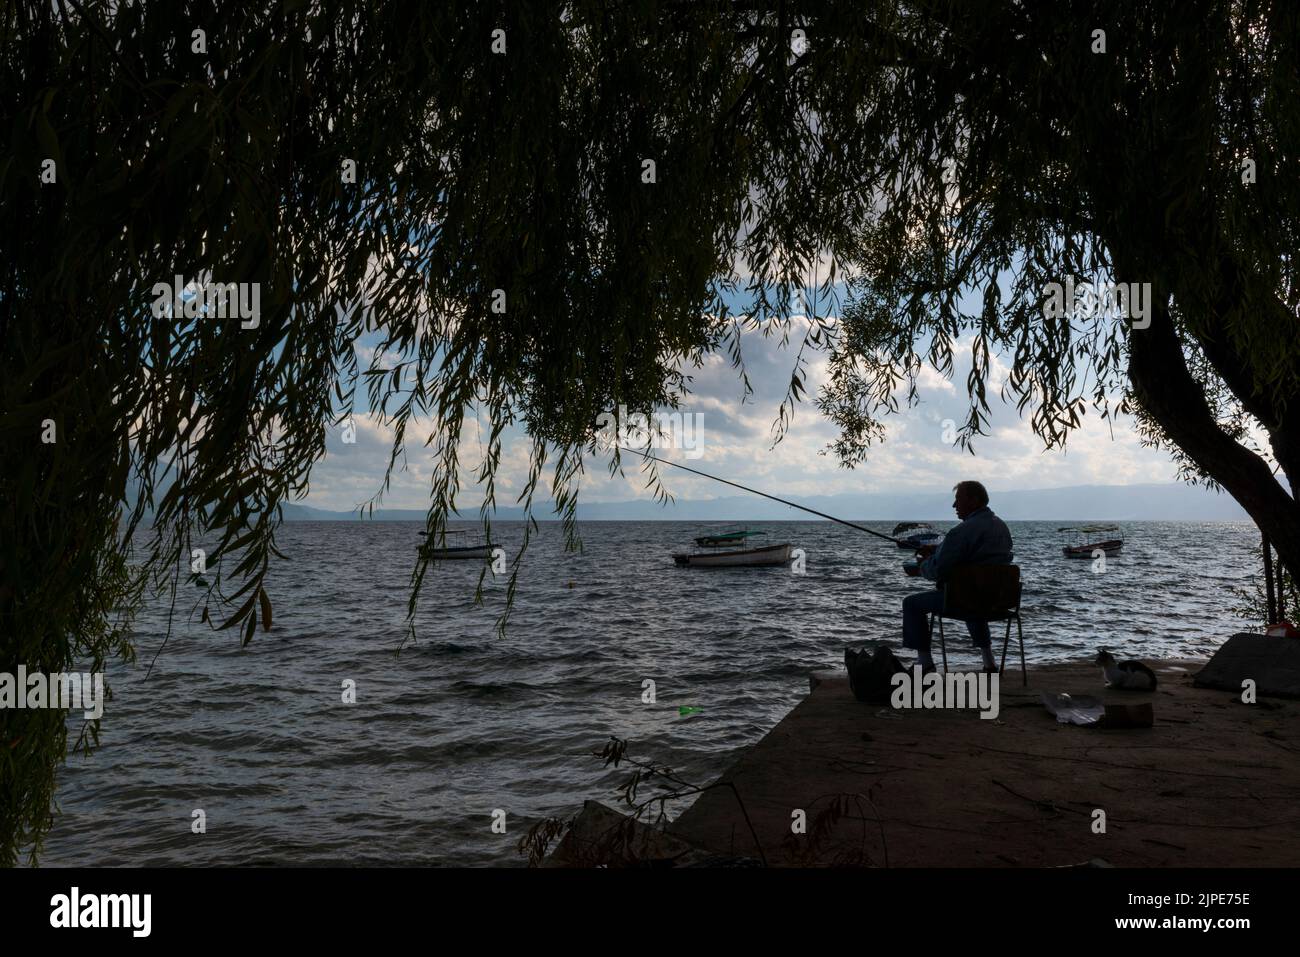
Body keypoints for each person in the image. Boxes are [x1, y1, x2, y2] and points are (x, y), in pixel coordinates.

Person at [902, 481, 1013, 674]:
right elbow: (977, 558)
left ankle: (924, 664)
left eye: (958, 500)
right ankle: (989, 663)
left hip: (968, 599)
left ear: (974, 500)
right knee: (974, 594)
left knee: (912, 604)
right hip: (997, 599)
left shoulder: (961, 531)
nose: (954, 506)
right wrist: (938, 551)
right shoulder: (1001, 527)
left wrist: (922, 566)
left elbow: (938, 570)